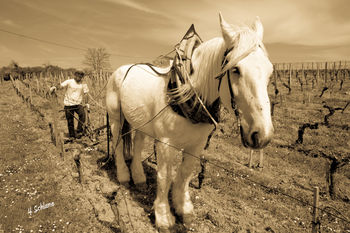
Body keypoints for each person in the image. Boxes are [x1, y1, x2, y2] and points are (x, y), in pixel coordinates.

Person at [50, 71, 89, 140]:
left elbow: (86, 94)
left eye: (80, 76)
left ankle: (79, 131)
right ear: (75, 75)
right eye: (78, 76)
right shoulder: (69, 81)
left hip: (78, 104)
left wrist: (87, 103)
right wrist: (54, 87)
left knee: (82, 115)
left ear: (82, 77)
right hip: (68, 104)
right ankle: (72, 136)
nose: (79, 78)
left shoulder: (83, 84)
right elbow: (61, 86)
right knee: (70, 120)